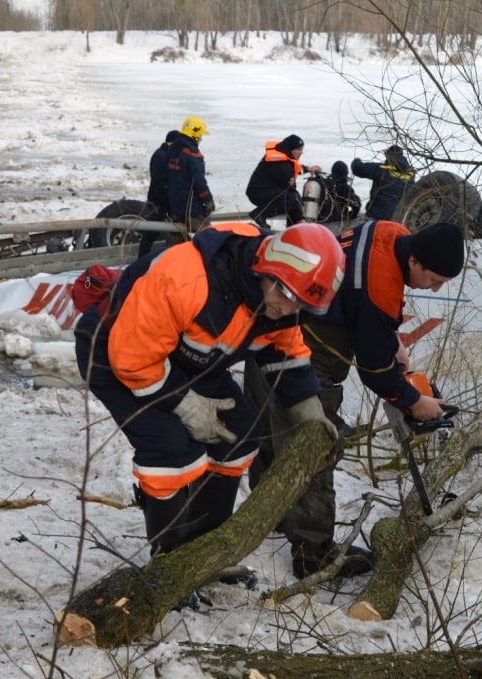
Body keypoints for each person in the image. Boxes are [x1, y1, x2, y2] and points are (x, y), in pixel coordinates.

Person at [74, 221, 345, 560]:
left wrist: (311, 416)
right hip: (116, 352)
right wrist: (186, 406)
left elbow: (287, 356)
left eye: (301, 305)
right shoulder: (187, 279)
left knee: (239, 434)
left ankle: (205, 549)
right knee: (170, 449)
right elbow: (131, 358)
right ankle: (170, 558)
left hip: (186, 359)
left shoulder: (279, 308)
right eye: (287, 295)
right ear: (265, 267)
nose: (287, 309)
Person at [245, 218, 466, 578]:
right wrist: (414, 401)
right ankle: (313, 554)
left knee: (271, 432)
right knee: (317, 446)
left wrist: (388, 336)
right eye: (434, 280)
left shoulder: (389, 231)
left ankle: (269, 515)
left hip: (268, 331)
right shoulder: (380, 288)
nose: (436, 289)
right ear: (414, 261)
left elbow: (361, 297)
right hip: (302, 353)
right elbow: (374, 370)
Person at [246, 134, 322, 228]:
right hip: (258, 193)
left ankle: (294, 226)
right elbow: (291, 190)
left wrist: (308, 169)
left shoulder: (284, 156)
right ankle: (260, 214)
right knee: (292, 198)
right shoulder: (280, 165)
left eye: (302, 149)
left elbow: (294, 168)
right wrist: (300, 217)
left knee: (293, 199)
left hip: (266, 190)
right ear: (290, 149)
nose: (301, 152)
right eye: (299, 149)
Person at [167, 116, 215, 236]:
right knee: (206, 235)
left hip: (174, 205)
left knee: (177, 238)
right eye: (201, 136)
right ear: (195, 135)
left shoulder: (173, 150)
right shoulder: (192, 155)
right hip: (191, 207)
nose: (201, 139)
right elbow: (199, 182)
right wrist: (208, 200)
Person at [138, 129, 182, 258]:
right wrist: (168, 202)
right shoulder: (161, 157)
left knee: (155, 231)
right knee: (152, 232)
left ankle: (144, 258)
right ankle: (142, 258)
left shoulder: (163, 154)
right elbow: (159, 183)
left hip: (160, 200)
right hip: (158, 201)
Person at [351, 145, 416, 220]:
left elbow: (357, 168)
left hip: (377, 215)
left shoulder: (381, 169)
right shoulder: (410, 174)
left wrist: (357, 160)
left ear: (389, 155)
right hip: (399, 217)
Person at [318, 160, 361, 226]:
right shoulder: (344, 187)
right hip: (337, 223)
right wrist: (350, 216)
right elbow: (357, 205)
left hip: (320, 222)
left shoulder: (324, 184)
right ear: (345, 173)